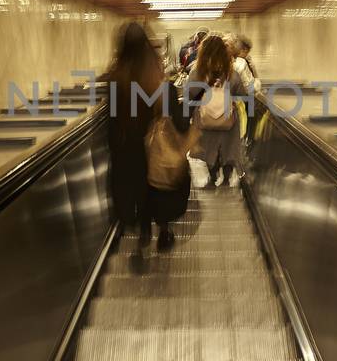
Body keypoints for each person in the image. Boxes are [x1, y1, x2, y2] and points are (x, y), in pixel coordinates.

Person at [101, 21, 194, 251]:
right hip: (155, 148)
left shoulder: (114, 80)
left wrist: (115, 150)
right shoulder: (159, 81)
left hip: (128, 151)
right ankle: (163, 231)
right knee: (158, 189)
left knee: (138, 190)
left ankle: (143, 230)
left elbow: (112, 122)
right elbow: (177, 119)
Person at [189, 34, 249, 188]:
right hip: (228, 119)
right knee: (228, 148)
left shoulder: (196, 73)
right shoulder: (232, 74)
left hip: (204, 120)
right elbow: (242, 94)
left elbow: (190, 94)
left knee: (209, 148)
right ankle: (227, 178)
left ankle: (212, 176)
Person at [231, 35, 262, 143]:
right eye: (247, 51)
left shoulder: (226, 61)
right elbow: (250, 85)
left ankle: (246, 138)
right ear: (243, 49)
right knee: (251, 115)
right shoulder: (241, 63)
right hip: (242, 98)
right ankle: (249, 139)